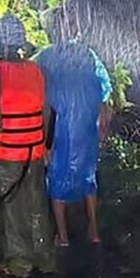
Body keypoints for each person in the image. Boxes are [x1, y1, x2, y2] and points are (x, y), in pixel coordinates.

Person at [0, 14, 56, 277]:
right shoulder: (35, 70)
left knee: (11, 209)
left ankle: (20, 263)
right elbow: (46, 112)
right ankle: (45, 258)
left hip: (8, 153)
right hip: (34, 151)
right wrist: (45, 146)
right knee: (37, 204)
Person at [33, 40, 112, 246]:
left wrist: (44, 142)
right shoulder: (86, 53)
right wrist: (103, 123)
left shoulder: (47, 56)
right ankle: (94, 231)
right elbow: (102, 91)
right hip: (86, 127)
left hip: (63, 128)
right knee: (88, 176)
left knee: (58, 179)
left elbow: (43, 104)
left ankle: (63, 236)